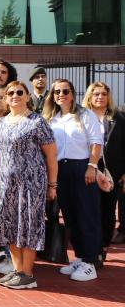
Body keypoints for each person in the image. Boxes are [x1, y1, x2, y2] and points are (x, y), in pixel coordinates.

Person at [0, 80, 58, 290]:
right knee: (9, 226)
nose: (15, 95)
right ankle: (17, 271)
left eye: (20, 92)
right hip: (7, 185)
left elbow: (51, 155)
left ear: (27, 96)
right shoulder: (0, 123)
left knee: (28, 226)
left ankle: (28, 274)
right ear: (6, 98)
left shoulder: (37, 122)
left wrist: (52, 185)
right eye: (11, 93)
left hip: (31, 184)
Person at [43, 79, 103, 282]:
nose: (61, 94)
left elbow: (96, 142)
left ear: (73, 93)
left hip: (82, 168)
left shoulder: (86, 114)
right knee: (70, 216)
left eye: (65, 91)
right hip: (61, 169)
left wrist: (92, 167)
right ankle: (80, 257)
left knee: (86, 214)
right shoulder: (52, 118)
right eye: (57, 91)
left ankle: (91, 261)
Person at [82, 82, 125, 254]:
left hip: (111, 172)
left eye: (103, 94)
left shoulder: (119, 118)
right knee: (87, 209)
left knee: (107, 211)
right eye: (96, 94)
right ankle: (89, 247)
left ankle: (103, 247)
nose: (100, 97)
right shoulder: (82, 117)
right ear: (90, 97)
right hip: (86, 169)